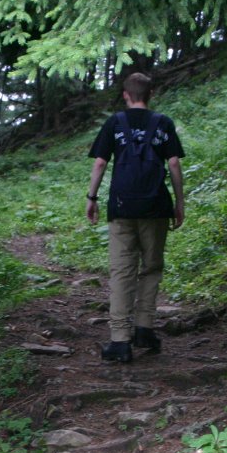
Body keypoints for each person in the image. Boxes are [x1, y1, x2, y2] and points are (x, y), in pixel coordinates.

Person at [85, 72, 185, 363]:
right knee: (151, 268)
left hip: (121, 206)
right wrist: (179, 202)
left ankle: (119, 341)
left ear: (126, 95)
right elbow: (174, 163)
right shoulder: (163, 123)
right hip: (155, 206)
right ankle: (144, 329)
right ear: (150, 95)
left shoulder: (115, 122)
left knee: (121, 271)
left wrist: (91, 198)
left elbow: (101, 162)